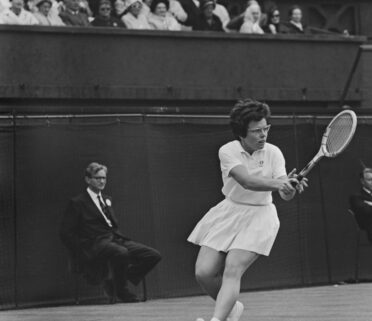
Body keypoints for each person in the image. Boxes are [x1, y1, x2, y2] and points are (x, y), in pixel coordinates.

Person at [188, 99, 308, 321]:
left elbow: (284, 194)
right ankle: (232, 310)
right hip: (229, 212)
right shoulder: (227, 151)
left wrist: (290, 187)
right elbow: (247, 181)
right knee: (203, 273)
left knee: (232, 270)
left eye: (266, 129)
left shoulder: (274, 152)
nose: (263, 135)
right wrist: (280, 184)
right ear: (242, 133)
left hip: (260, 216)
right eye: (256, 131)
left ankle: (217, 320)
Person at [60, 162, 162, 303]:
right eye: (97, 178)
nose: (102, 181)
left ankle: (115, 282)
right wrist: (81, 250)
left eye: (104, 178)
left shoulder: (107, 199)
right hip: (94, 244)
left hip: (115, 239)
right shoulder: (78, 202)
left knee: (153, 255)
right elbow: (66, 233)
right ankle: (122, 290)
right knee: (121, 252)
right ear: (88, 179)